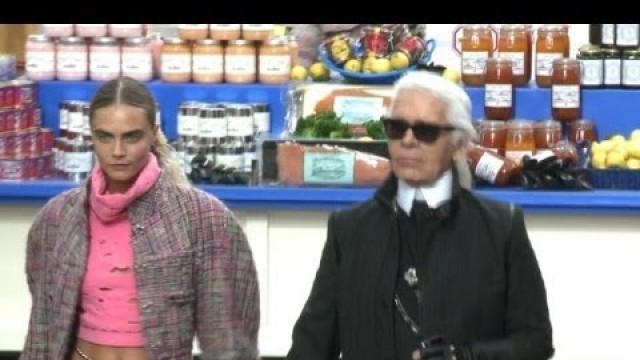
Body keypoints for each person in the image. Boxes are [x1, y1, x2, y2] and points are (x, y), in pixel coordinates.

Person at [286, 71, 554, 360]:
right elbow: (311, 346)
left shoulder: (501, 227)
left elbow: (535, 342)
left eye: (425, 131)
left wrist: (465, 356)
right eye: (396, 127)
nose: (408, 140)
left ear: (459, 144)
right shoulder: (348, 229)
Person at [20, 76, 260, 360]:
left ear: (153, 134)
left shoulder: (204, 218)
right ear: (92, 136)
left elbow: (229, 340)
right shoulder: (57, 218)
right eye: (105, 136)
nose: (118, 151)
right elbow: (43, 328)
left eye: (131, 136)